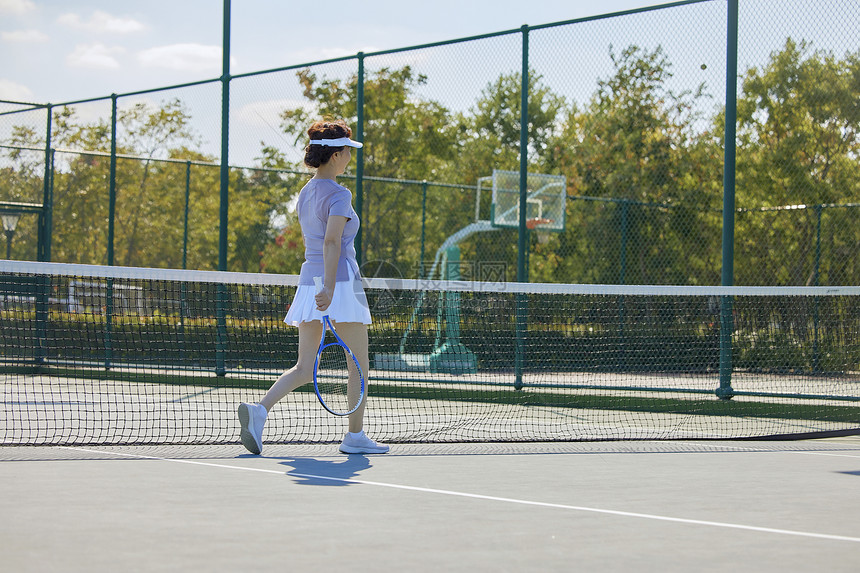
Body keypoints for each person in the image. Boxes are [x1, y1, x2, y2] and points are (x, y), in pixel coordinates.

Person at [238, 120, 388, 455]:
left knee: (305, 367)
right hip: (340, 284)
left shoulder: (305, 192)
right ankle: (354, 437)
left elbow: (320, 241)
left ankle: (259, 412)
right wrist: (332, 289)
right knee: (359, 366)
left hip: (309, 283)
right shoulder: (339, 194)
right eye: (347, 150)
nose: (350, 156)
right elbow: (332, 241)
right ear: (335, 155)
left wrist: (323, 287)